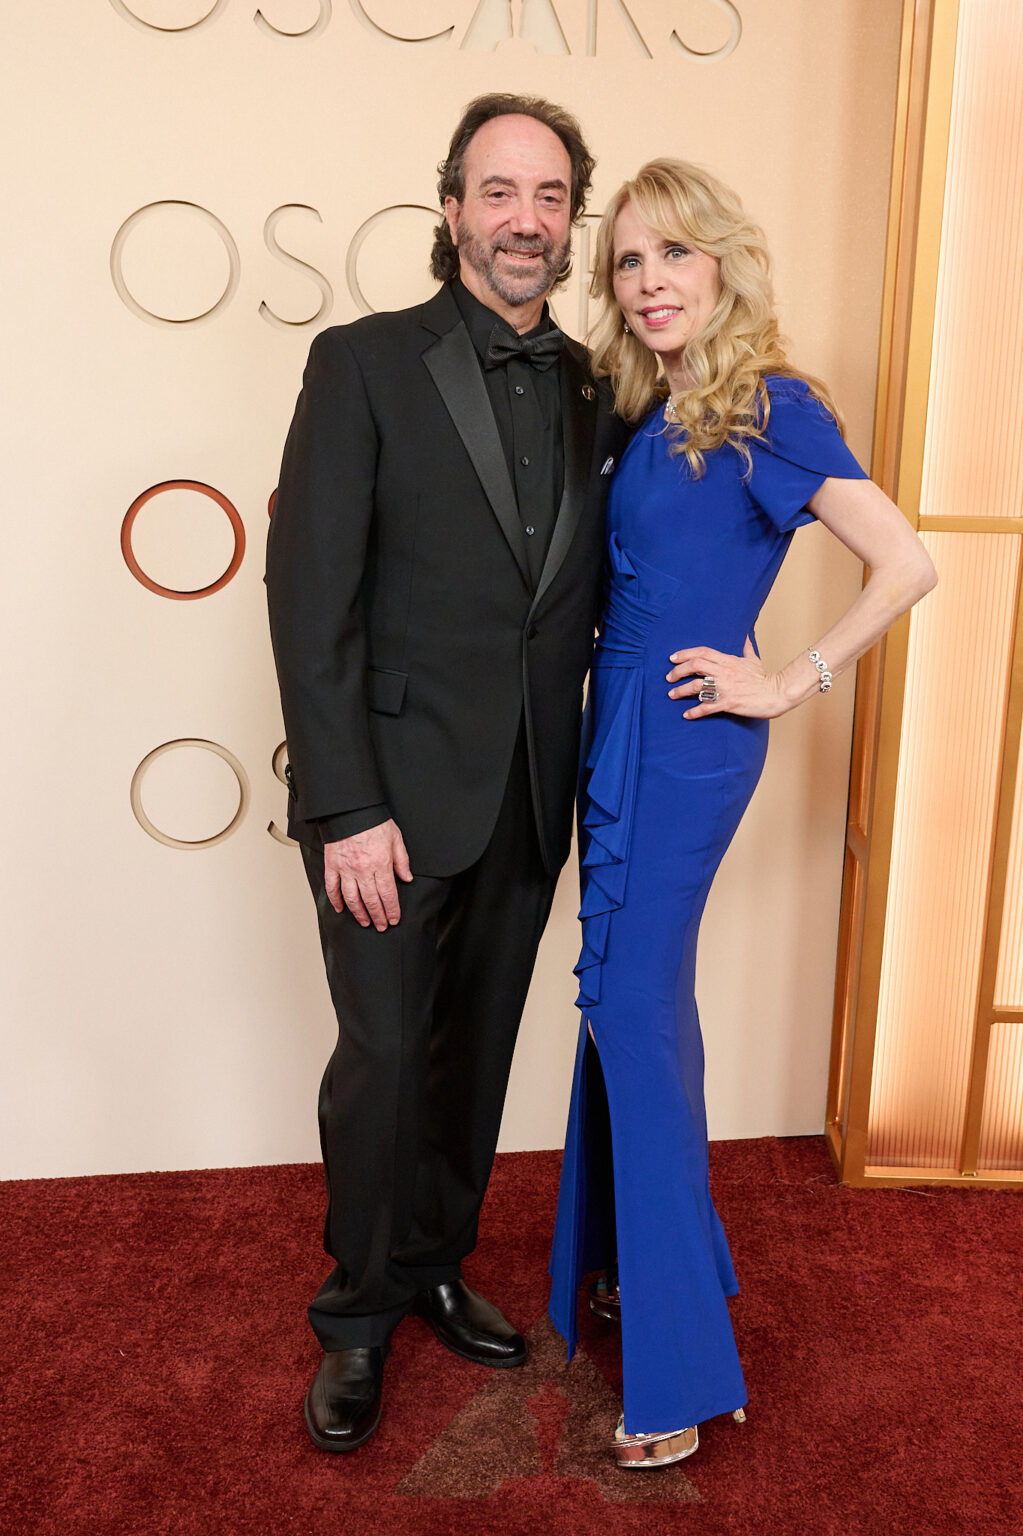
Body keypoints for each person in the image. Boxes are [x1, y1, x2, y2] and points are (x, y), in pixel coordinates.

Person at [547, 159, 937, 1469]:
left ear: (723, 264)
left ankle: (677, 1378)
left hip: (687, 743)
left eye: (674, 256)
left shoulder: (772, 405)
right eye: (628, 264)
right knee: (628, 1003)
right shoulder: (660, 408)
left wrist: (788, 678)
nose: (649, 283)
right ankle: (651, 1268)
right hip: (625, 729)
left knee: (633, 1013)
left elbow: (908, 558)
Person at [266, 94, 628, 1455]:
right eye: (498, 191)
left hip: (533, 792)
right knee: (382, 1063)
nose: (524, 219)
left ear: (569, 219)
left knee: (471, 1062)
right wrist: (346, 806)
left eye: (548, 196)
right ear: (452, 209)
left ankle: (430, 1263)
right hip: (392, 805)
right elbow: (312, 602)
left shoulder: (599, 382)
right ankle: (355, 1316)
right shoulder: (361, 361)